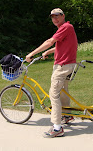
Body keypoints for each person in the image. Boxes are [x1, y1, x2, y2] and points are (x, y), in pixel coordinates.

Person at [26, 8, 78, 138]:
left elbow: (50, 42)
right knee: (63, 91)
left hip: (63, 66)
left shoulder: (66, 27)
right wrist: (49, 52)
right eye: (52, 17)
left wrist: (32, 53)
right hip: (68, 65)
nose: (55, 18)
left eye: (57, 16)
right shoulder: (66, 28)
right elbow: (63, 46)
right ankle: (67, 115)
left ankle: (57, 128)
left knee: (53, 94)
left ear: (63, 16)